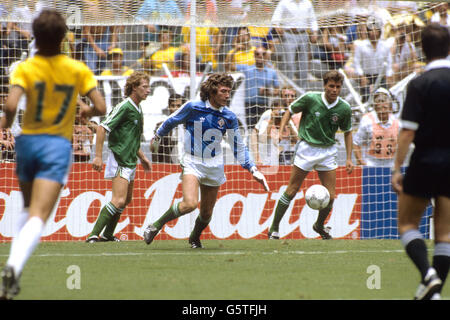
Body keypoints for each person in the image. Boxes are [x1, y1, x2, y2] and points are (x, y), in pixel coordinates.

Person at [0, 10, 106, 300]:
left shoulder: (24, 68)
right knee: (39, 214)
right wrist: (87, 111)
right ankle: (12, 266)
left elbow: (10, 107)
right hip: (56, 146)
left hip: (27, 143)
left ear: (35, 36)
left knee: (27, 208)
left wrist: (4, 127)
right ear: (63, 38)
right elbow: (101, 106)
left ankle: (12, 273)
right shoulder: (76, 69)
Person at [143, 73, 269, 249]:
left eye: (229, 91)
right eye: (223, 91)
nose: (227, 95)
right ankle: (155, 225)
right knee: (190, 204)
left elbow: (238, 147)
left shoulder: (229, 117)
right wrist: (157, 138)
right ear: (212, 91)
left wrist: (253, 169)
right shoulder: (193, 107)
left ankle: (194, 237)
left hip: (214, 164)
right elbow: (171, 121)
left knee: (206, 213)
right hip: (192, 161)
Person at [391, 23, 450, 300]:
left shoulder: (419, 83)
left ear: (421, 50)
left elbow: (408, 131)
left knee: (407, 225)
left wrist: (396, 168)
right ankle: (432, 294)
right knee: (445, 235)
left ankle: (427, 276)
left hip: (425, 161)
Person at [268, 70, 354, 240]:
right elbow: (289, 110)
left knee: (330, 196)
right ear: (324, 86)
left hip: (328, 151)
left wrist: (350, 158)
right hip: (306, 148)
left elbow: (348, 132)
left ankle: (319, 226)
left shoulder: (344, 108)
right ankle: (274, 228)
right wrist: (281, 129)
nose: (334, 90)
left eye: (337, 87)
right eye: (331, 86)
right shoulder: (310, 98)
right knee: (292, 190)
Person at [86, 71, 152, 243]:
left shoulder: (138, 109)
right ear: (134, 88)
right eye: (144, 87)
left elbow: (131, 138)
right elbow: (102, 128)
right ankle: (93, 234)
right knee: (118, 199)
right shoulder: (125, 106)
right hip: (120, 158)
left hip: (130, 159)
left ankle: (108, 234)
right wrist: (98, 156)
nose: (148, 90)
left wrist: (142, 157)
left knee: (126, 199)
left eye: (149, 87)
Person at [271, 0, 319, 89]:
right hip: (289, 34)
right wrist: (277, 27)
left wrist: (315, 32)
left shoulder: (307, 3)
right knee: (289, 64)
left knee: (304, 64)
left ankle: (302, 90)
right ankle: (287, 90)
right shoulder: (284, 2)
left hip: (303, 34)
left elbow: (313, 19)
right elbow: (275, 18)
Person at [233, 46, 280, 132]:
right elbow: (229, 66)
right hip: (249, 104)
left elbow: (278, 91)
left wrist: (268, 92)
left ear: (266, 56)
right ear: (254, 55)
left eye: (263, 54)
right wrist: (234, 50)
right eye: (257, 54)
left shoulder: (272, 72)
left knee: (262, 129)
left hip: (264, 104)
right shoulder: (247, 68)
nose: (260, 56)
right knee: (251, 129)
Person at [353, 87, 400, 167]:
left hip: (391, 163)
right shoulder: (367, 120)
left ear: (390, 106)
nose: (381, 104)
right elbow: (356, 142)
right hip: (371, 163)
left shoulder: (397, 122)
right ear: (375, 106)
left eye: (384, 101)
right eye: (378, 101)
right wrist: (360, 160)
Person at [353, 15, 394, 102]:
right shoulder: (361, 46)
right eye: (371, 30)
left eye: (376, 30)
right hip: (367, 77)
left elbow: (389, 62)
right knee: (367, 99)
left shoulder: (385, 45)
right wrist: (362, 76)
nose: (374, 32)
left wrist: (388, 75)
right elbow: (356, 62)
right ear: (368, 32)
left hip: (380, 77)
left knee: (383, 98)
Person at [152, 93, 185, 163]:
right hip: (168, 167)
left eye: (179, 106)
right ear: (169, 107)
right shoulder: (161, 126)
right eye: (173, 105)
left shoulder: (189, 126)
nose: (176, 108)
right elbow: (154, 149)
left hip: (186, 166)